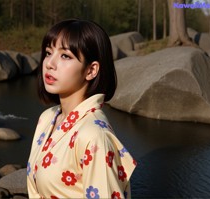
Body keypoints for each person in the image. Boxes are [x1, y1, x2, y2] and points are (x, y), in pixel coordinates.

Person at [27, 19, 137, 199]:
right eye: (48, 52)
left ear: (91, 70)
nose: (49, 63)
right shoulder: (47, 118)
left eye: (65, 56)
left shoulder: (94, 135)